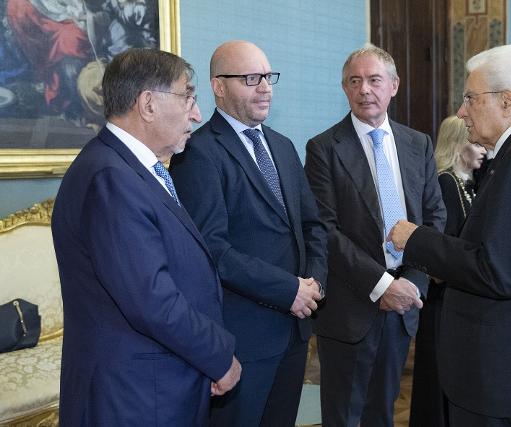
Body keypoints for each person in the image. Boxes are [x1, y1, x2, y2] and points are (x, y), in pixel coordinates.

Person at [389, 44, 511, 427]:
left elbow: (497, 271)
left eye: (470, 98)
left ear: (508, 101)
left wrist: (416, 239)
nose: (462, 111)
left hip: (499, 369)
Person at [51, 48, 240, 426]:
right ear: (149, 103)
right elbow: (152, 299)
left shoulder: (128, 168)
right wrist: (219, 356)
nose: (197, 113)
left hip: (155, 385)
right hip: (134, 398)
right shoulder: (112, 179)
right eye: (188, 96)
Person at [169, 40, 327, 427]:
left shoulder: (283, 146)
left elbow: (312, 227)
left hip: (294, 332)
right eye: (251, 78)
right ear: (219, 86)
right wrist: (287, 290)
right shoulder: (199, 153)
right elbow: (213, 252)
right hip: (244, 340)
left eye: (268, 77)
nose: (265, 88)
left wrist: (314, 285)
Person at [304, 44, 446, 427]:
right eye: (355, 81)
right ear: (345, 89)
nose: (365, 89)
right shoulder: (323, 149)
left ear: (394, 86)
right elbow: (326, 230)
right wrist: (383, 286)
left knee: (381, 412)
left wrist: (412, 285)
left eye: (374, 80)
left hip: (404, 306)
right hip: (351, 306)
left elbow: (434, 216)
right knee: (344, 415)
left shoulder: (419, 144)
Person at [409, 115, 485, 427]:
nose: (482, 149)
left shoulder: (473, 183)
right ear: (458, 143)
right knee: (437, 372)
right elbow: (444, 241)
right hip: (441, 297)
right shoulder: (445, 182)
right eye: (475, 142)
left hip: (458, 294)